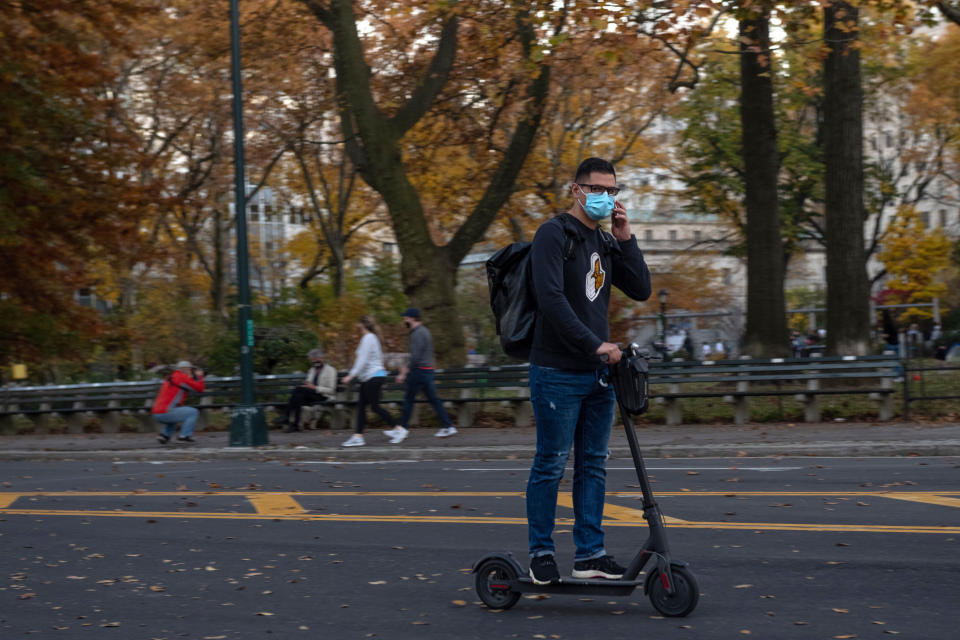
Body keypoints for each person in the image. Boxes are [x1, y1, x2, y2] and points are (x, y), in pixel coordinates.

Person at [524, 157, 651, 585]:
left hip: (599, 374)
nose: (606, 198)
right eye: (598, 189)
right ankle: (541, 552)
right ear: (576, 190)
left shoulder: (606, 241)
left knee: (593, 465)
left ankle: (590, 555)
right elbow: (551, 299)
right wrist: (594, 344)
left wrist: (625, 238)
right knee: (551, 463)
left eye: (612, 191)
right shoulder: (553, 234)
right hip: (557, 370)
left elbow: (641, 289)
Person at [383, 308, 455, 444]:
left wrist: (404, 372)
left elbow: (415, 357)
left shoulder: (417, 333)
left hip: (419, 371)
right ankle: (448, 426)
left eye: (405, 318)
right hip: (427, 371)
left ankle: (402, 430)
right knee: (433, 400)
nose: (404, 320)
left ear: (412, 318)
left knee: (408, 401)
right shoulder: (425, 331)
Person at [340, 315, 399, 447]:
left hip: (374, 377)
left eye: (358, 324)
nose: (357, 326)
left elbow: (362, 360)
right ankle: (358, 436)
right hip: (370, 377)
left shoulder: (368, 338)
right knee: (363, 407)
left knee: (374, 407)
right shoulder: (371, 338)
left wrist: (351, 375)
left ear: (362, 324)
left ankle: (398, 429)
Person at [275, 348, 337, 432]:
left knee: (298, 391)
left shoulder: (331, 370)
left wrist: (315, 387)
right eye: (313, 360)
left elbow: (331, 390)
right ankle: (295, 425)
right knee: (298, 396)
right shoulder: (311, 370)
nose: (315, 362)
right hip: (310, 395)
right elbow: (309, 383)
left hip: (323, 395)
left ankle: (287, 417)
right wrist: (306, 385)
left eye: (316, 360)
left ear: (322, 358)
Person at [152, 360, 206, 444]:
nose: (191, 371)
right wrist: (200, 377)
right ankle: (184, 436)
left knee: (176, 413)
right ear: (185, 369)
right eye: (190, 369)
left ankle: (164, 436)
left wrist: (192, 377)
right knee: (193, 412)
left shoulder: (172, 377)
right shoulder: (182, 378)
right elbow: (199, 389)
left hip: (156, 413)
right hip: (165, 412)